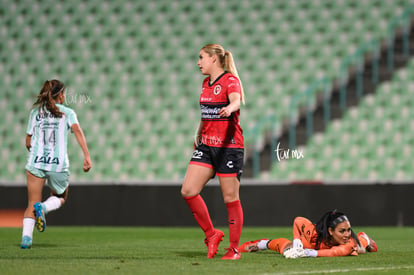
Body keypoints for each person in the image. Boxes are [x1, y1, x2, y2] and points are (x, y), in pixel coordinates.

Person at [181, 44, 246, 260]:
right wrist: (198, 133)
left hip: (229, 146)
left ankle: (234, 249)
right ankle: (211, 234)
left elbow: (236, 100)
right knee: (188, 190)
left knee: (230, 198)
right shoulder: (205, 83)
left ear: (213, 59)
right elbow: (205, 113)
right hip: (207, 145)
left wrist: (230, 107)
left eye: (201, 58)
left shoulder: (229, 80)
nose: (198, 63)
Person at [20, 79, 92, 249]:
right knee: (60, 197)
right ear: (60, 95)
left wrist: (37, 153)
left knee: (31, 203)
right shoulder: (68, 113)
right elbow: (78, 132)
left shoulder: (35, 113)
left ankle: (26, 239)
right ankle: (43, 208)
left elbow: (28, 141)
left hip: (36, 162)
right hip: (57, 164)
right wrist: (87, 156)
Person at [239, 210, 378, 258]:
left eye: (348, 229)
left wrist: (310, 254)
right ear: (330, 231)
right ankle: (262, 244)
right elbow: (298, 221)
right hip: (314, 244)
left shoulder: (348, 242)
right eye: (342, 231)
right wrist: (296, 240)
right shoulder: (314, 233)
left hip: (316, 249)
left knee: (360, 249)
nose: (347, 234)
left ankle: (364, 238)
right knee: (287, 248)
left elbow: (335, 252)